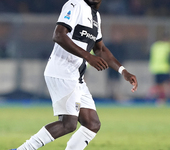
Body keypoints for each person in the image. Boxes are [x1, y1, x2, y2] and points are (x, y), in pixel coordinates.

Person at [10, 0, 138, 149]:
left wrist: (123, 71)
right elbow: (58, 35)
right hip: (62, 71)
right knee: (68, 124)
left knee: (92, 124)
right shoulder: (75, 4)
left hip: (76, 77)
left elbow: (100, 49)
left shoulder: (96, 16)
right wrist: (88, 57)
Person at [148, 33, 170, 105]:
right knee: (163, 85)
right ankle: (161, 99)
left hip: (155, 68)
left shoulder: (155, 45)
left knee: (159, 85)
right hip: (165, 68)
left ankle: (158, 98)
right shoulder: (167, 46)